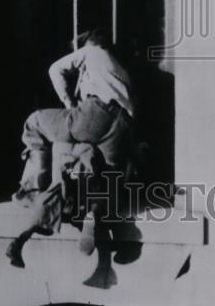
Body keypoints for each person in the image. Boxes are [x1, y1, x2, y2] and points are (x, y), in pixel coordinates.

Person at [13, 28, 135, 199]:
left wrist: (68, 103)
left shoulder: (92, 51)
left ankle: (33, 191)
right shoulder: (121, 71)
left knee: (35, 122)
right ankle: (93, 210)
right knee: (96, 166)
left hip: (97, 112)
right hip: (122, 126)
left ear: (89, 43)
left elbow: (55, 69)